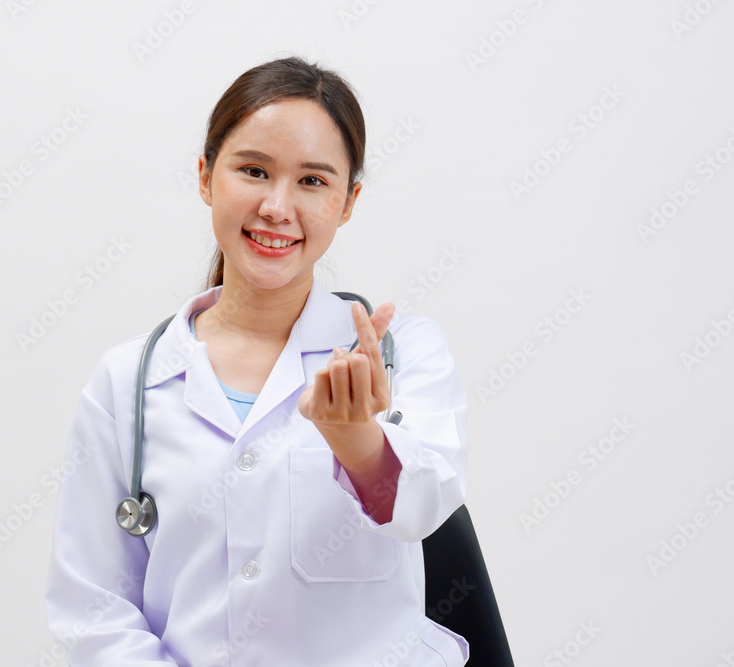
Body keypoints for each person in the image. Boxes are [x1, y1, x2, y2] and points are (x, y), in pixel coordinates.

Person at [44, 55, 470, 666]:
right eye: (253, 170)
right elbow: (93, 607)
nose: (277, 206)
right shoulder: (126, 382)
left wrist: (357, 441)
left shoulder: (405, 353)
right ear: (204, 176)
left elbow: (424, 508)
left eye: (313, 181)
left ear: (347, 202)